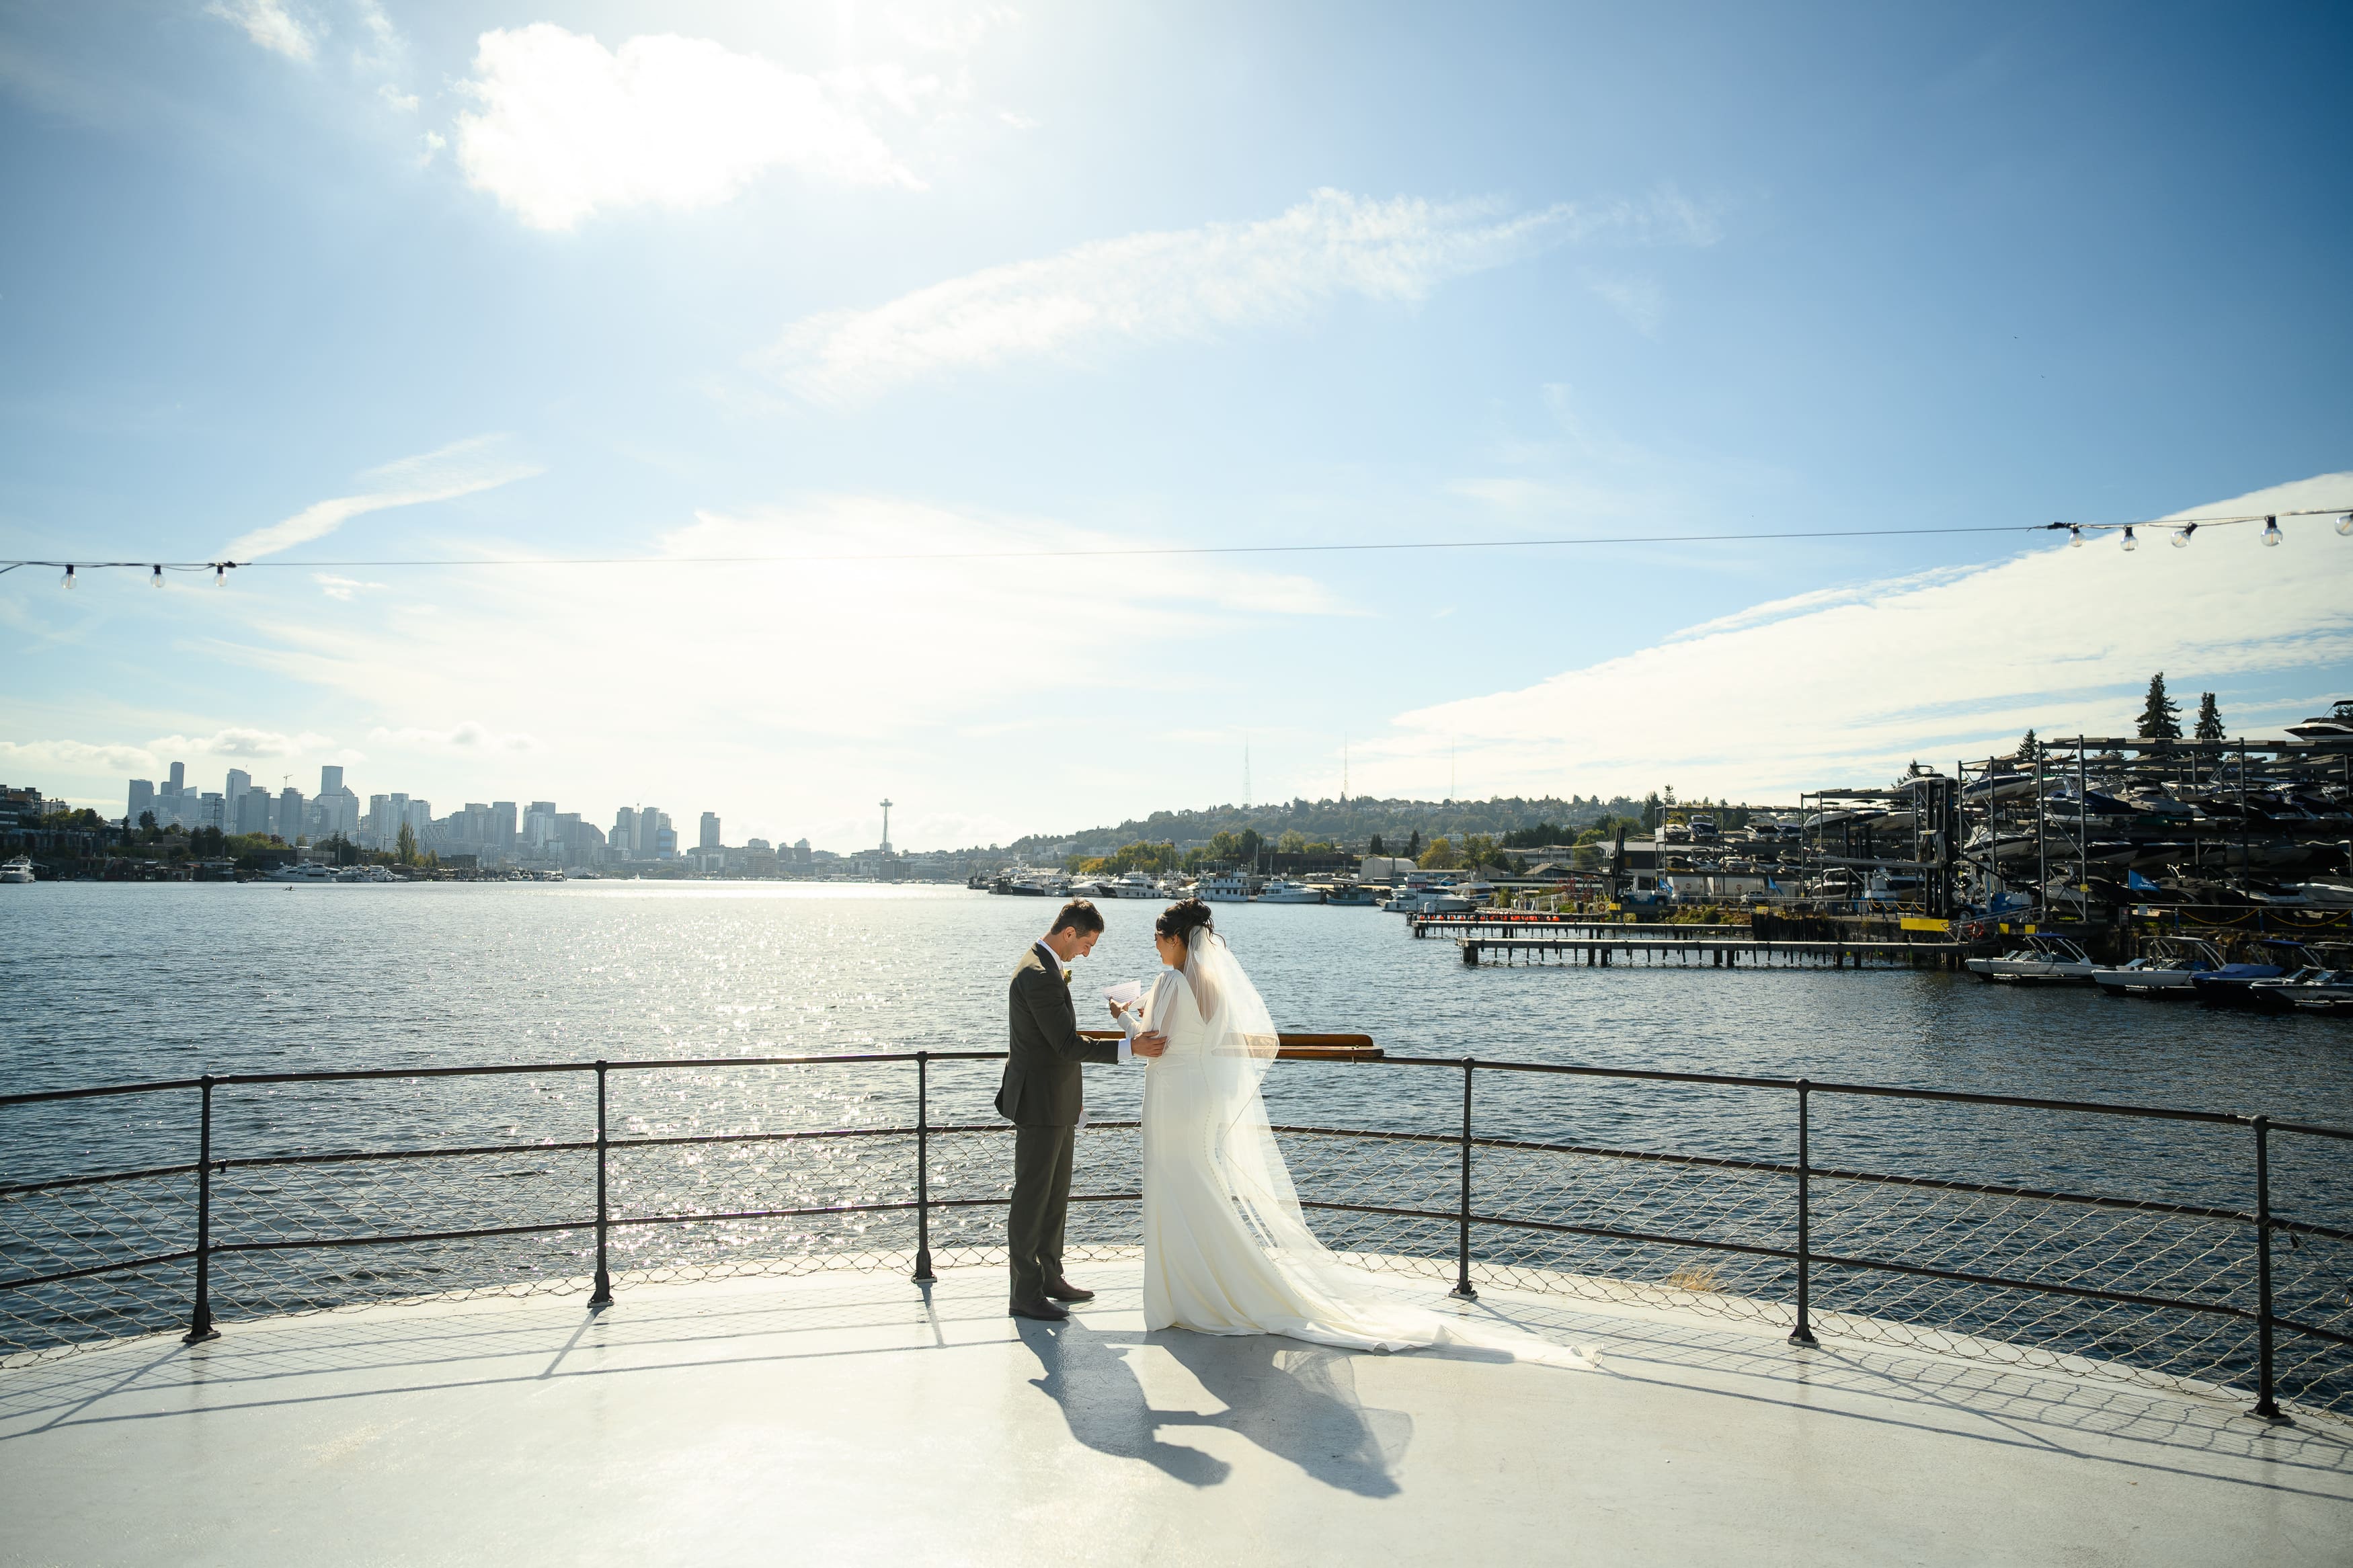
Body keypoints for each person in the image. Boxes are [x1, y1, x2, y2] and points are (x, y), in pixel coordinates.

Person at [1119, 898, 1597, 1366]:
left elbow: (1152, 1043)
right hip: (1200, 1098)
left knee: (1174, 1185)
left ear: (1176, 938)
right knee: (1200, 1186)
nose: (1156, 946)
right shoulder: (1213, 983)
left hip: (1172, 1096)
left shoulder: (1169, 981)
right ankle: (1218, 1285)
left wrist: (1121, 1015)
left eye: (1158, 938)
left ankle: (1188, 1295)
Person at [999, 899, 1165, 1321]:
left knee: (1055, 1196)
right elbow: (1065, 1044)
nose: (1087, 953)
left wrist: (1073, 1094)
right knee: (1032, 1198)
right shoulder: (1039, 975)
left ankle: (1050, 1277)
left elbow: (1055, 1045)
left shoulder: (1045, 967)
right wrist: (1130, 1047)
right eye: (1087, 944)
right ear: (1069, 933)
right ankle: (1024, 1293)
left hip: (1057, 1099)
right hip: (1039, 1103)